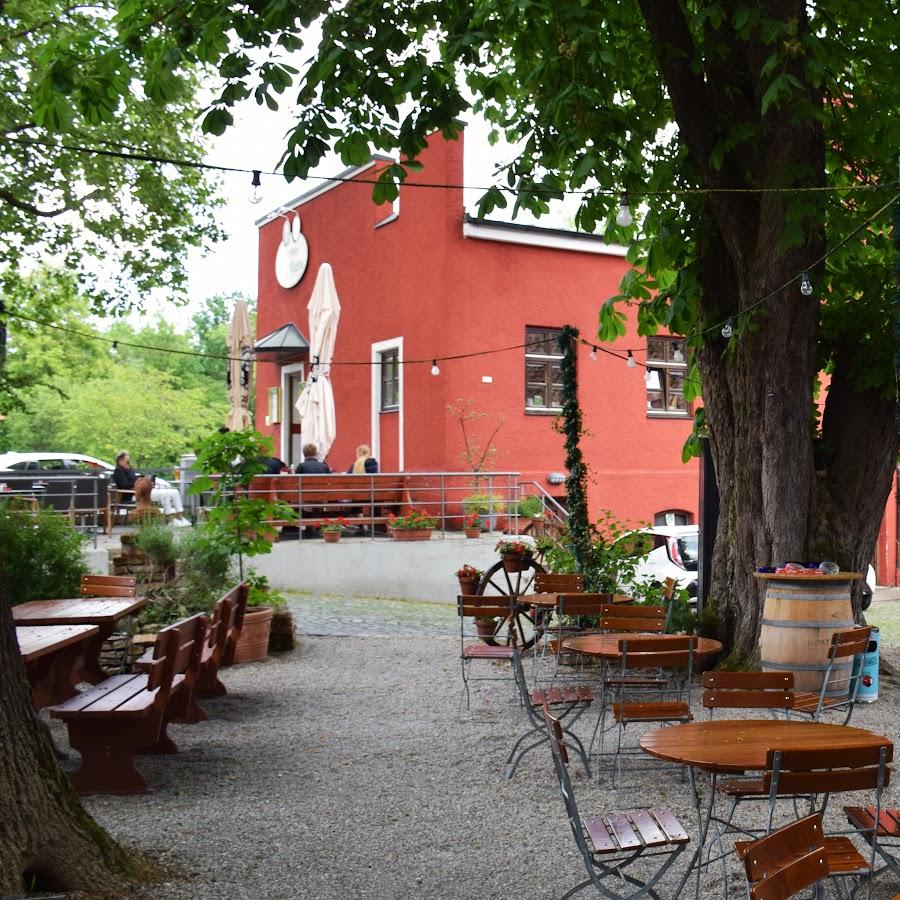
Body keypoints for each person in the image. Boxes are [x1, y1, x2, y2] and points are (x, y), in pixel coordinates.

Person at [113, 451, 190, 526]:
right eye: (127, 462)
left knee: (174, 491)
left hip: (144, 491)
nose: (129, 463)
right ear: (120, 461)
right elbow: (125, 485)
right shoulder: (118, 471)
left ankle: (180, 517)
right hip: (135, 494)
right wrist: (140, 484)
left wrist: (146, 481)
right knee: (165, 495)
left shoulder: (130, 470)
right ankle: (171, 519)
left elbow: (136, 479)